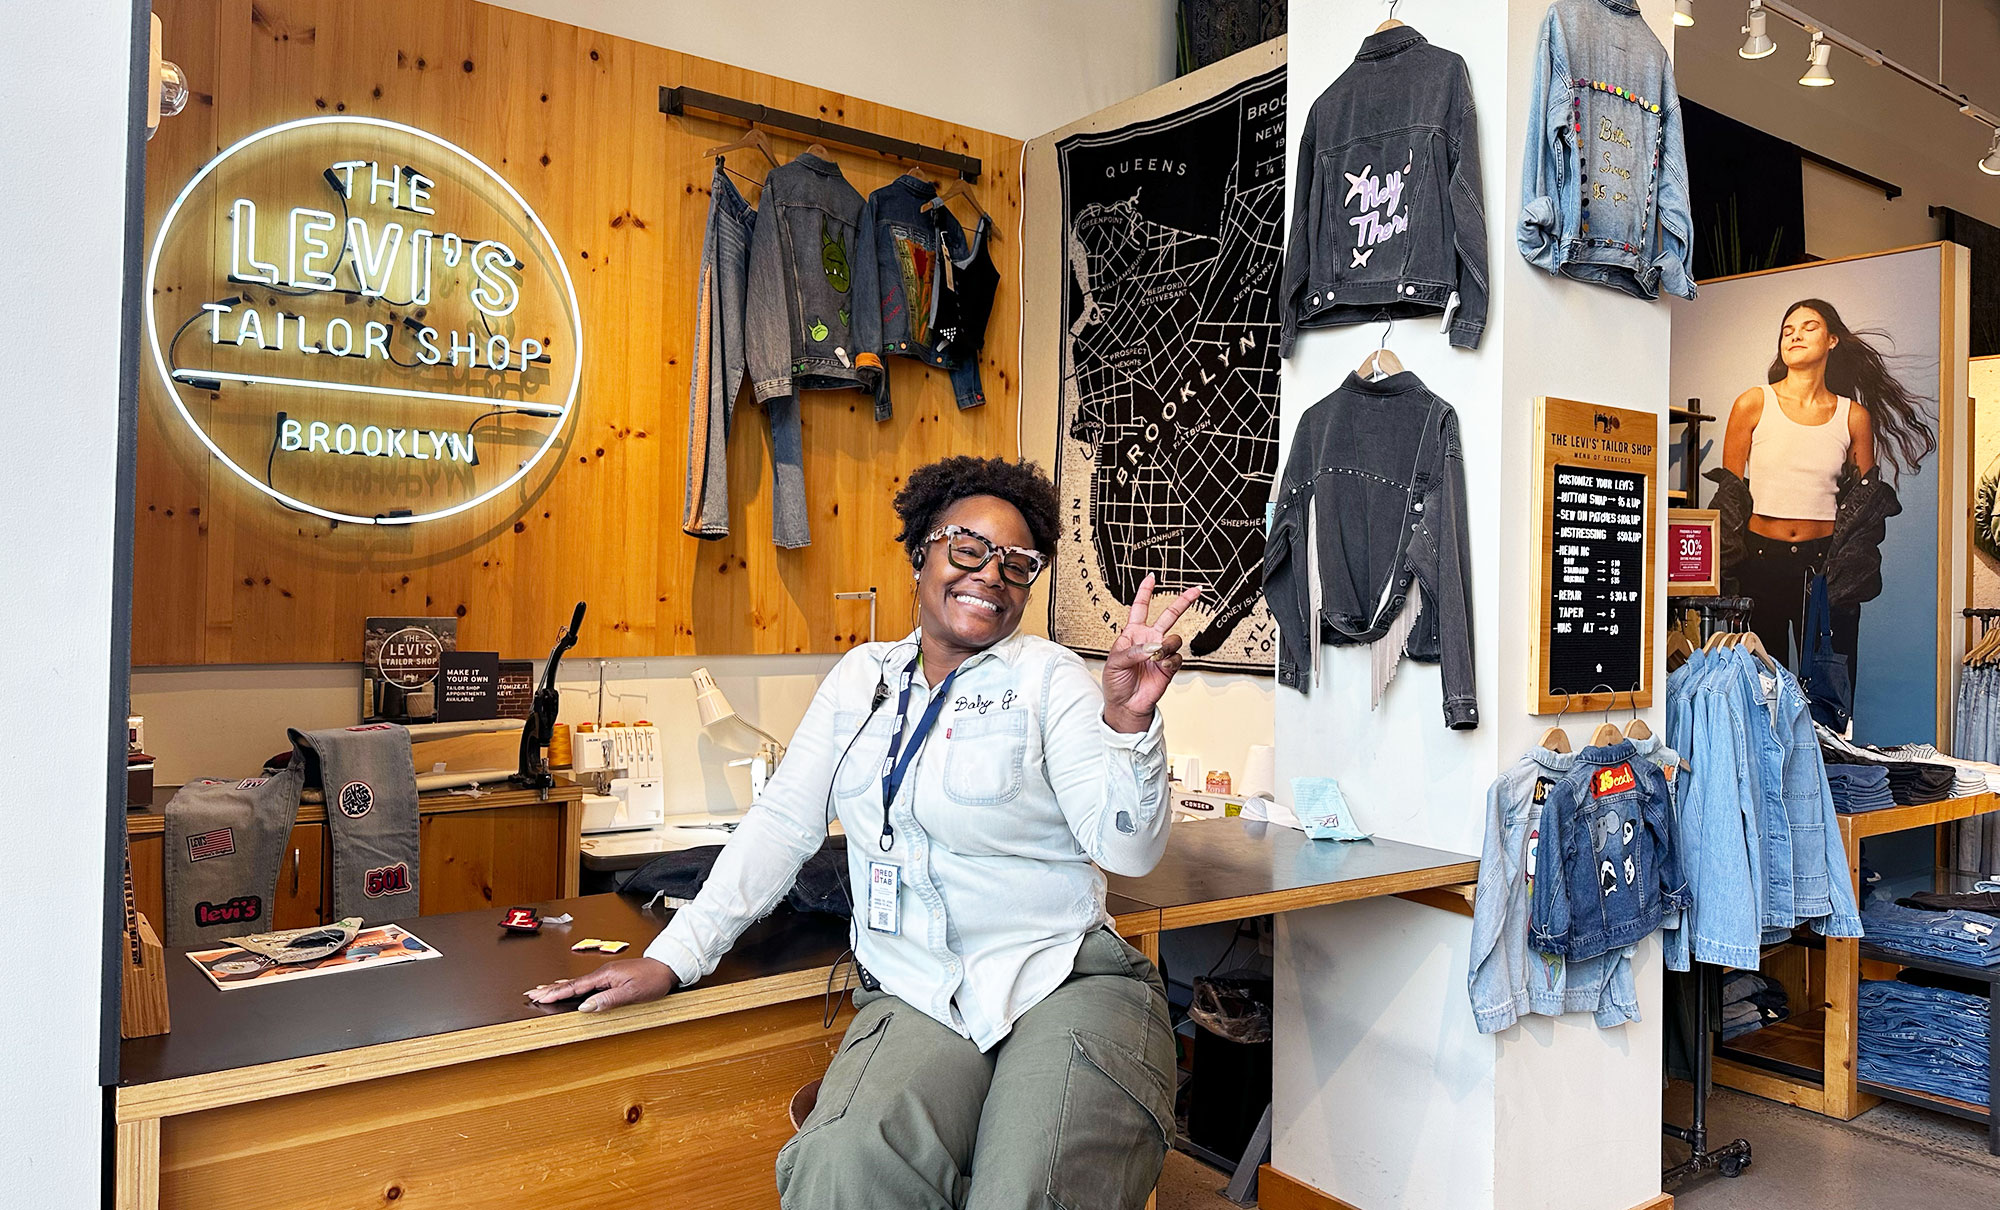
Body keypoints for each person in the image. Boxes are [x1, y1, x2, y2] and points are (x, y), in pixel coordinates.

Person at [528, 455, 1202, 1209]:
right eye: (968, 548)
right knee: (844, 1168)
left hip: (1061, 978)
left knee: (1026, 1192)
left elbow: (1128, 850)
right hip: (919, 991)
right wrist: (675, 957)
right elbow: (784, 822)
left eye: (1018, 564)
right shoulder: (861, 679)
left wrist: (1129, 722)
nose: (991, 575)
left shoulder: (1050, 679)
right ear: (922, 551)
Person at [1709, 298, 1930, 714]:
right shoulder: (1753, 403)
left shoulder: (1853, 416)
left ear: (1831, 340)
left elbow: (1864, 506)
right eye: (1787, 328)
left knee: (1831, 694)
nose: (1794, 334)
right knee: (1761, 695)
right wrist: (1728, 576)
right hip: (1760, 562)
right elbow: (1730, 500)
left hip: (1825, 569)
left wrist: (1849, 572)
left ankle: (1832, 777)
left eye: (1808, 326)